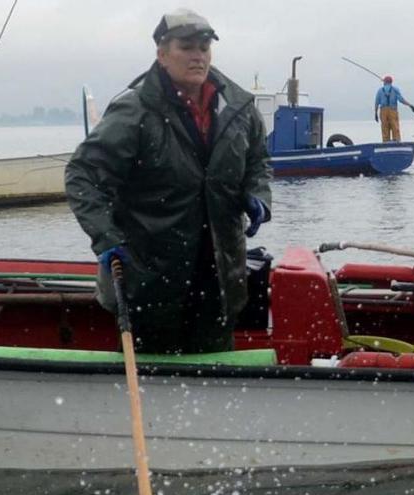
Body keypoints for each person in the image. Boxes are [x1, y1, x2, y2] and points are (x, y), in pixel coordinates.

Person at [65, 9, 273, 354]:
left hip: (220, 283)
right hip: (148, 283)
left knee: (214, 383)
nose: (198, 56)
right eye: (186, 46)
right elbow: (82, 175)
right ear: (162, 54)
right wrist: (105, 237)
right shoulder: (134, 111)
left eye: (204, 47)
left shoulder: (238, 108)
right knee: (152, 387)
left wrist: (258, 194)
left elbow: (257, 160)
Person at [373, 75, 414, 142]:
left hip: (383, 111)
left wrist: (375, 114)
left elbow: (376, 103)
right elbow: (401, 100)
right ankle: (396, 141)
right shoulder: (395, 89)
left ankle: (386, 142)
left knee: (384, 128)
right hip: (393, 110)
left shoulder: (380, 91)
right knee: (395, 127)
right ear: (391, 82)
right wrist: (410, 105)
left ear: (385, 82)